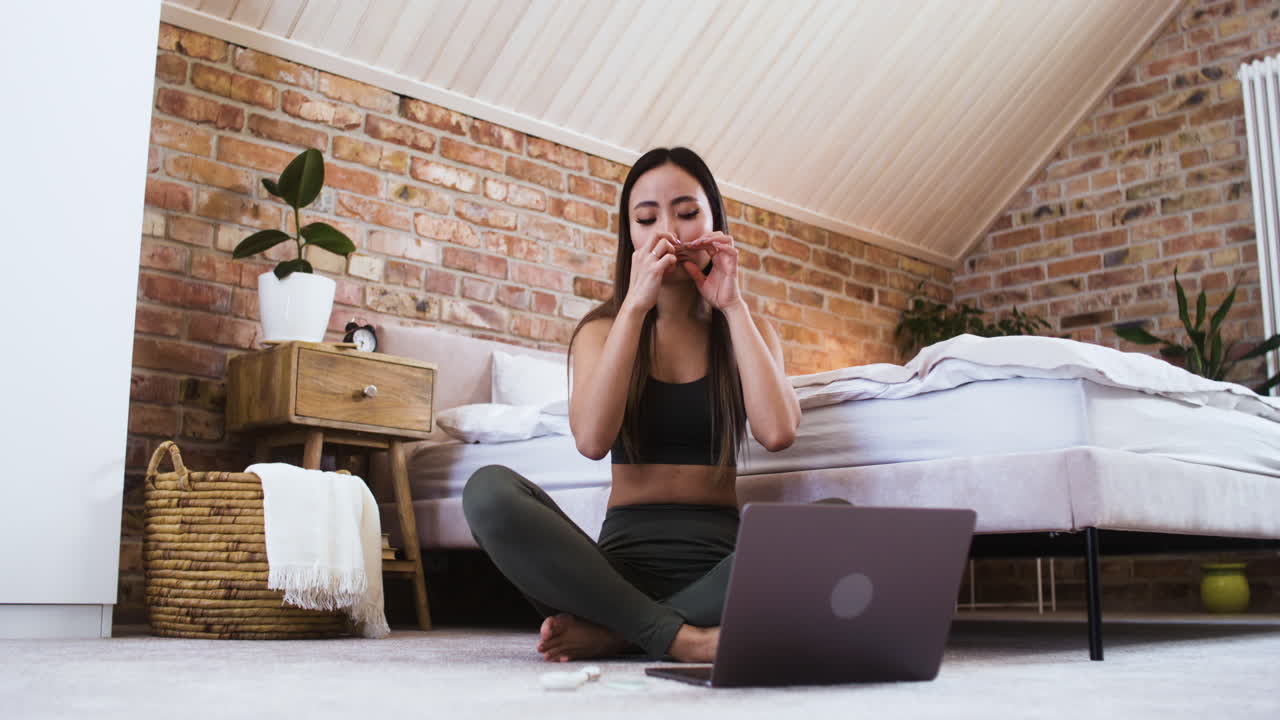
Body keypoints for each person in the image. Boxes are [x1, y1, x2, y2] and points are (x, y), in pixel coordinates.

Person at [462, 146, 801, 663]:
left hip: (718, 570)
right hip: (613, 575)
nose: (668, 231)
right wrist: (636, 307)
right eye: (647, 219)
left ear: (713, 221)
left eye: (686, 213)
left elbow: (778, 433)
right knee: (487, 491)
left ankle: (623, 633)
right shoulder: (601, 330)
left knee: (835, 522)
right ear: (630, 236)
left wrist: (733, 306)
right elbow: (591, 441)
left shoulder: (747, 330)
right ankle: (684, 636)